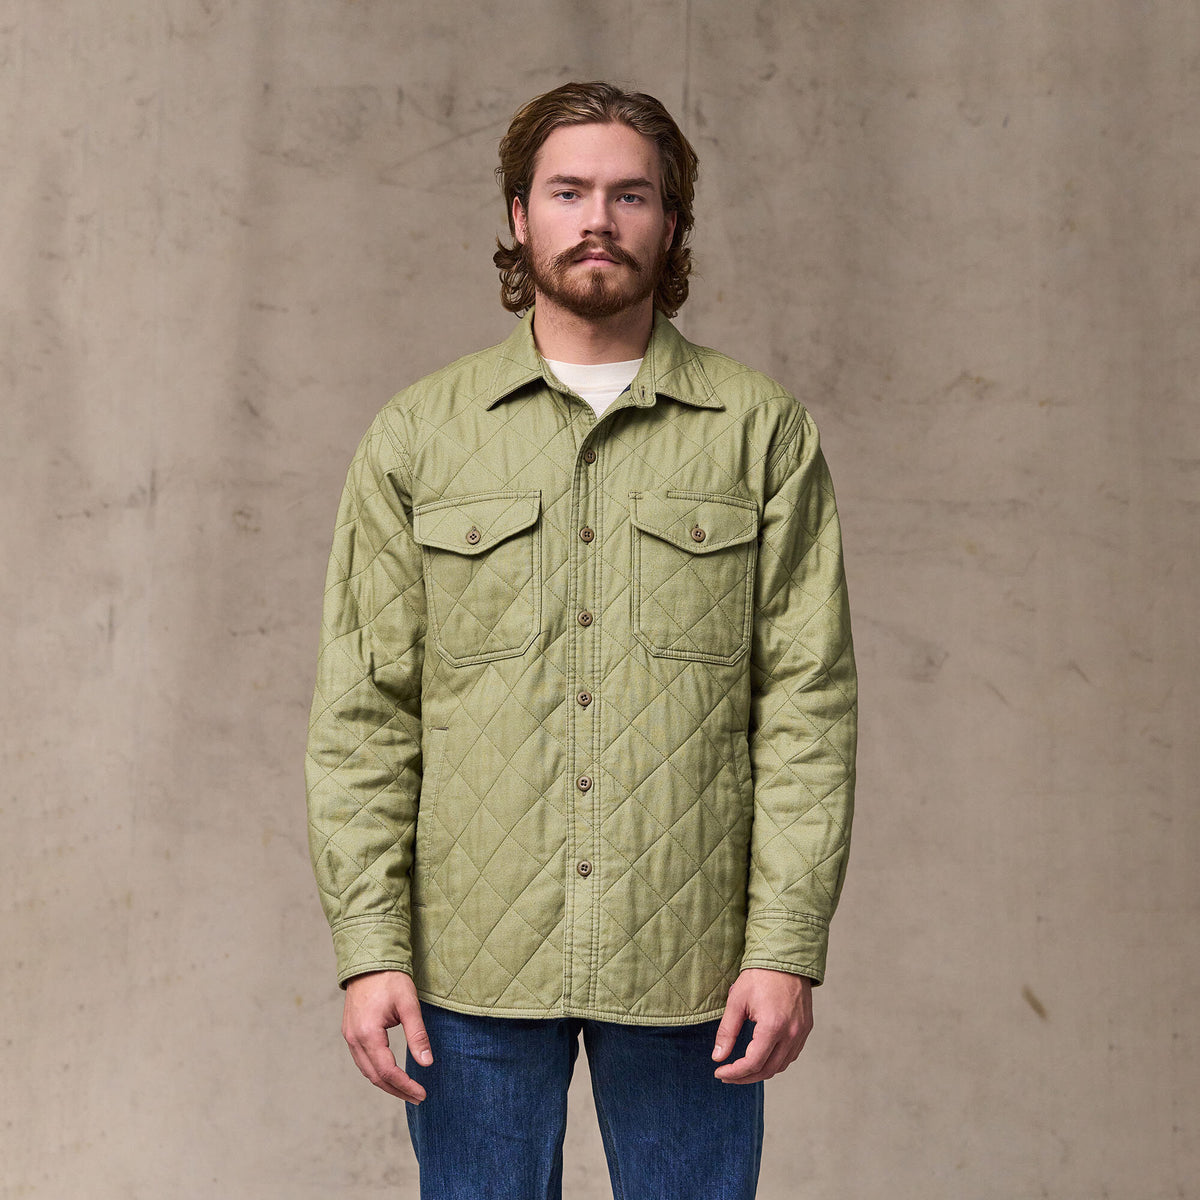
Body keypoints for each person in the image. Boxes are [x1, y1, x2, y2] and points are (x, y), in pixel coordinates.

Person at [305, 80, 857, 1199]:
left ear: (672, 220)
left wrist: (785, 944)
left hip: (695, 967)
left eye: (629, 194)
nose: (597, 218)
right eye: (567, 192)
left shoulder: (762, 434)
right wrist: (369, 949)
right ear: (519, 215)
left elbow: (808, 709)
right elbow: (364, 714)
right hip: (470, 969)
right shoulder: (420, 436)